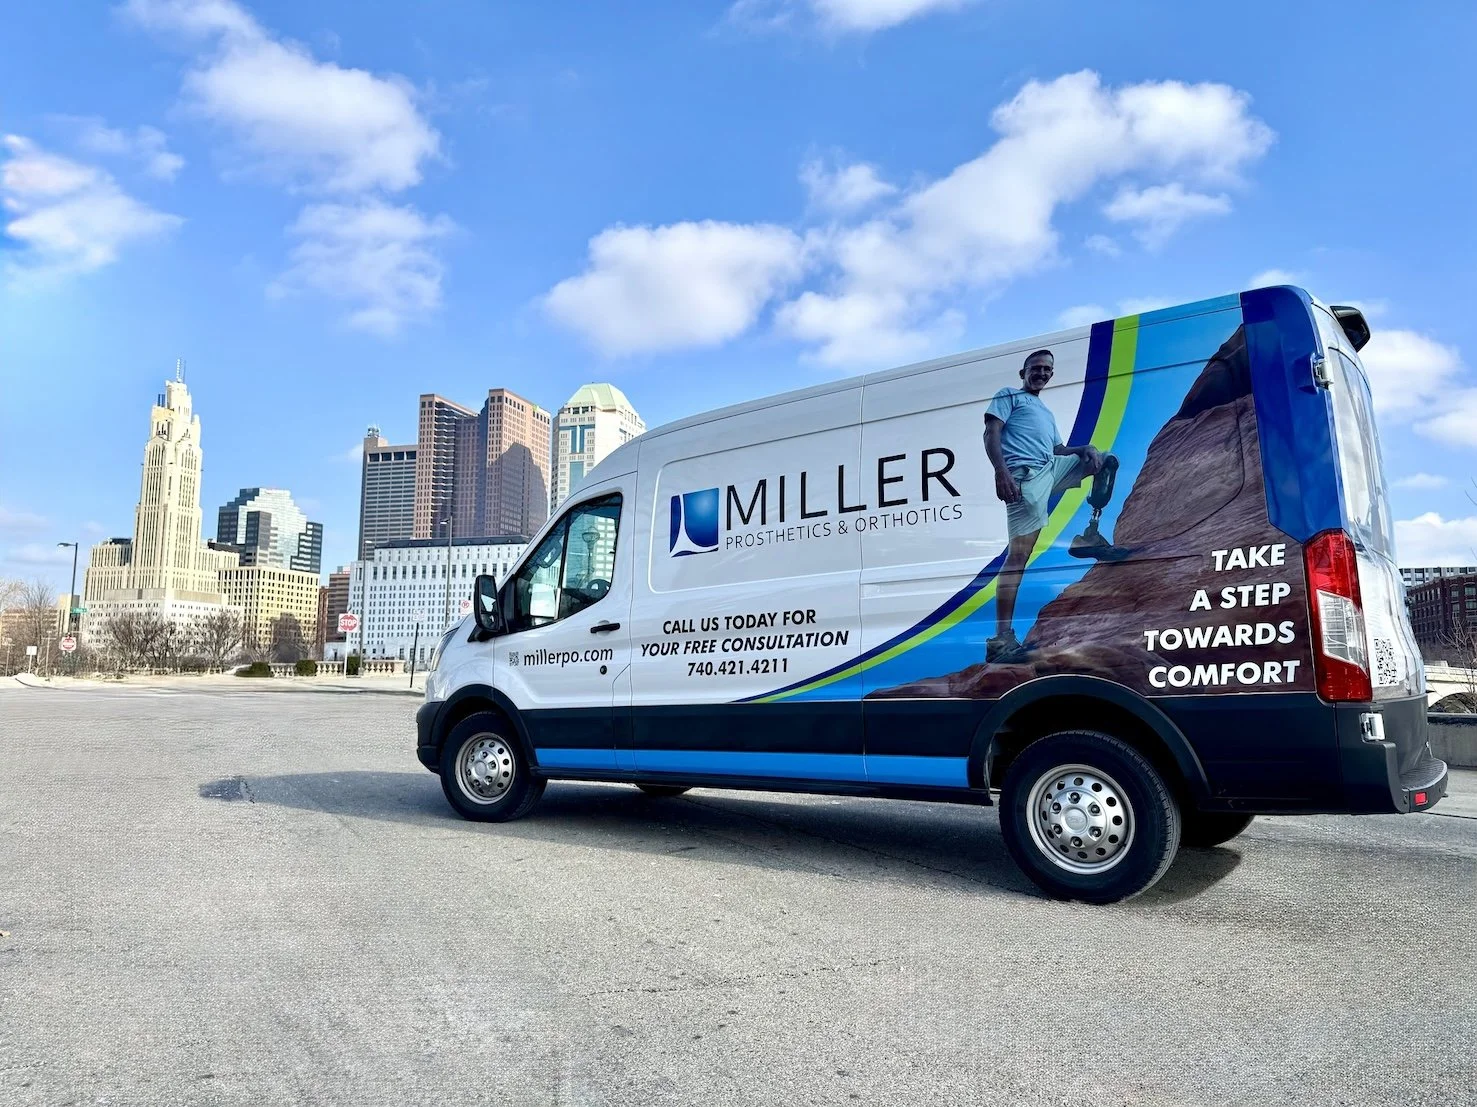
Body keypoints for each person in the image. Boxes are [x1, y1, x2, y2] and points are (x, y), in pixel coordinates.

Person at [983, 348, 1122, 663]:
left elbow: (1057, 448)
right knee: (1019, 556)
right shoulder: (1009, 396)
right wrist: (1001, 473)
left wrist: (1084, 448)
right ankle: (1000, 639)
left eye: (1047, 369)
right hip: (1025, 476)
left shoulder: (1044, 410)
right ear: (1023, 372)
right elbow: (991, 433)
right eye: (1036, 368)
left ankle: (1090, 534)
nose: (1042, 373)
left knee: (1104, 460)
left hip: (1050, 467)